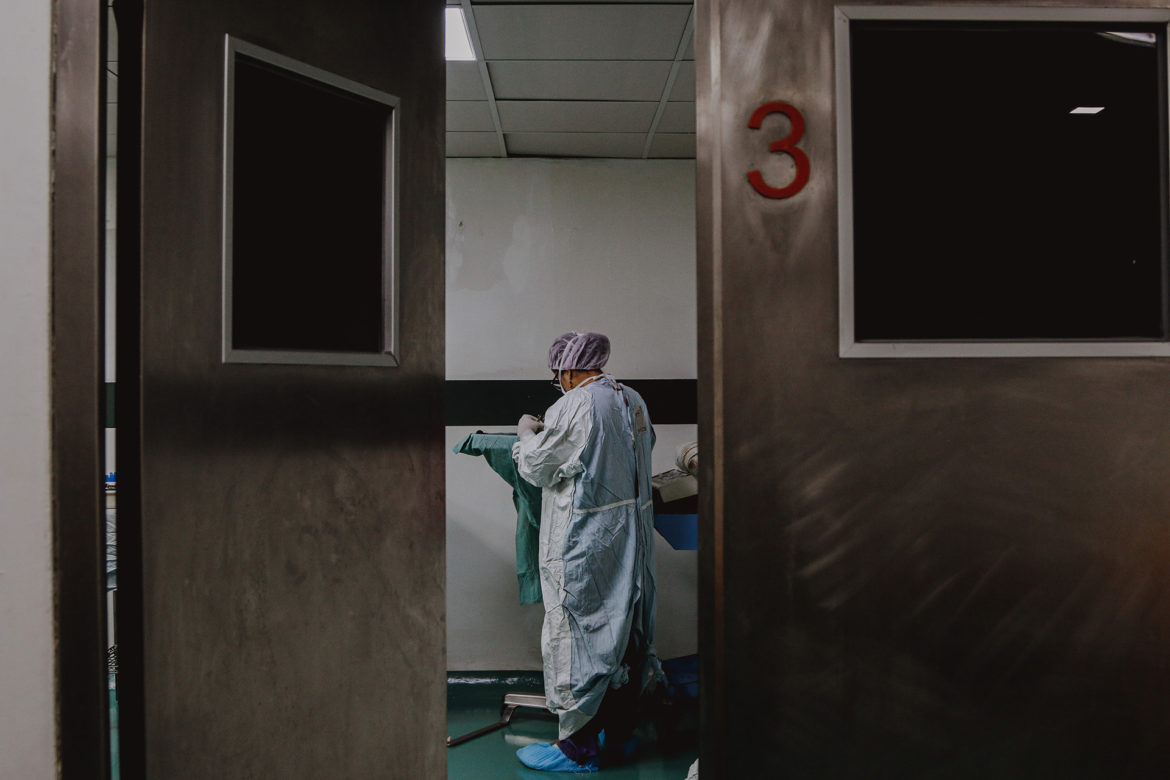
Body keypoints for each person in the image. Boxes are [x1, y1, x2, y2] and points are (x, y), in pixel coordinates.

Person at [512, 331, 659, 773]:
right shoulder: (632, 398)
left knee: (579, 634)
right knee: (625, 632)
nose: (558, 380)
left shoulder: (574, 403)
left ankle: (577, 748)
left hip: (586, 541)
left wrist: (526, 431)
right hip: (631, 538)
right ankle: (620, 735)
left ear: (570, 368)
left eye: (558, 373)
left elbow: (539, 465)